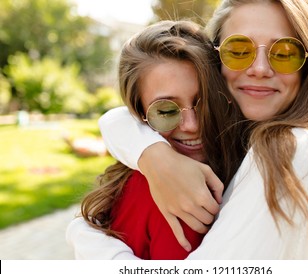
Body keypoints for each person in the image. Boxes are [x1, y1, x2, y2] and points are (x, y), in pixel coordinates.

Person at [67, 0, 308, 259]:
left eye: (285, 52)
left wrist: (88, 240)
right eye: (239, 50)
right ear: (214, 63)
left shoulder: (290, 148)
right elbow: (122, 117)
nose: (260, 68)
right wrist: (152, 154)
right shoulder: (237, 148)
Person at [74, 20, 248, 259]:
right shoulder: (181, 199)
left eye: (205, 102)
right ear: (138, 114)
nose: (192, 125)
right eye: (166, 111)